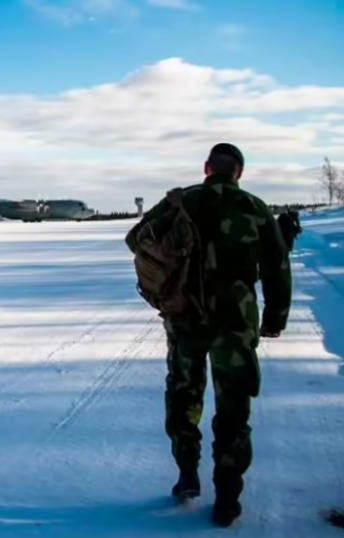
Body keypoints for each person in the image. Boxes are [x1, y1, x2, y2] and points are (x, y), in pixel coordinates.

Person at [125, 143, 292, 527]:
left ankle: (187, 473)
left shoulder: (180, 202)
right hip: (235, 324)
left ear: (206, 168)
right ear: (239, 172)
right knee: (233, 408)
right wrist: (275, 318)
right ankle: (228, 497)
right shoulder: (254, 207)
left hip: (185, 320)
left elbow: (137, 240)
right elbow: (277, 267)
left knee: (183, 396)